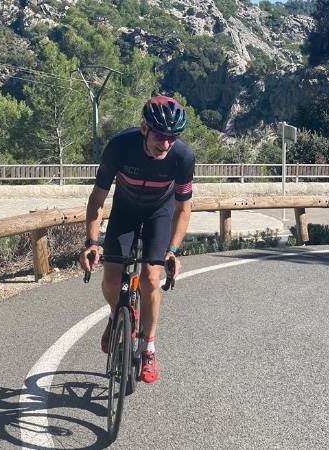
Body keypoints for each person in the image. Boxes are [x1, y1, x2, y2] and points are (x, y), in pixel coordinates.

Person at [79, 95, 195, 383]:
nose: (165, 144)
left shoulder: (183, 157)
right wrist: (91, 243)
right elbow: (97, 199)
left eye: (172, 137)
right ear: (144, 128)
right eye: (159, 135)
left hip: (159, 212)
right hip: (125, 210)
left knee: (151, 278)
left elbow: (183, 209)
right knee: (111, 278)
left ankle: (149, 348)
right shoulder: (120, 146)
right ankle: (115, 315)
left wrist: (172, 250)